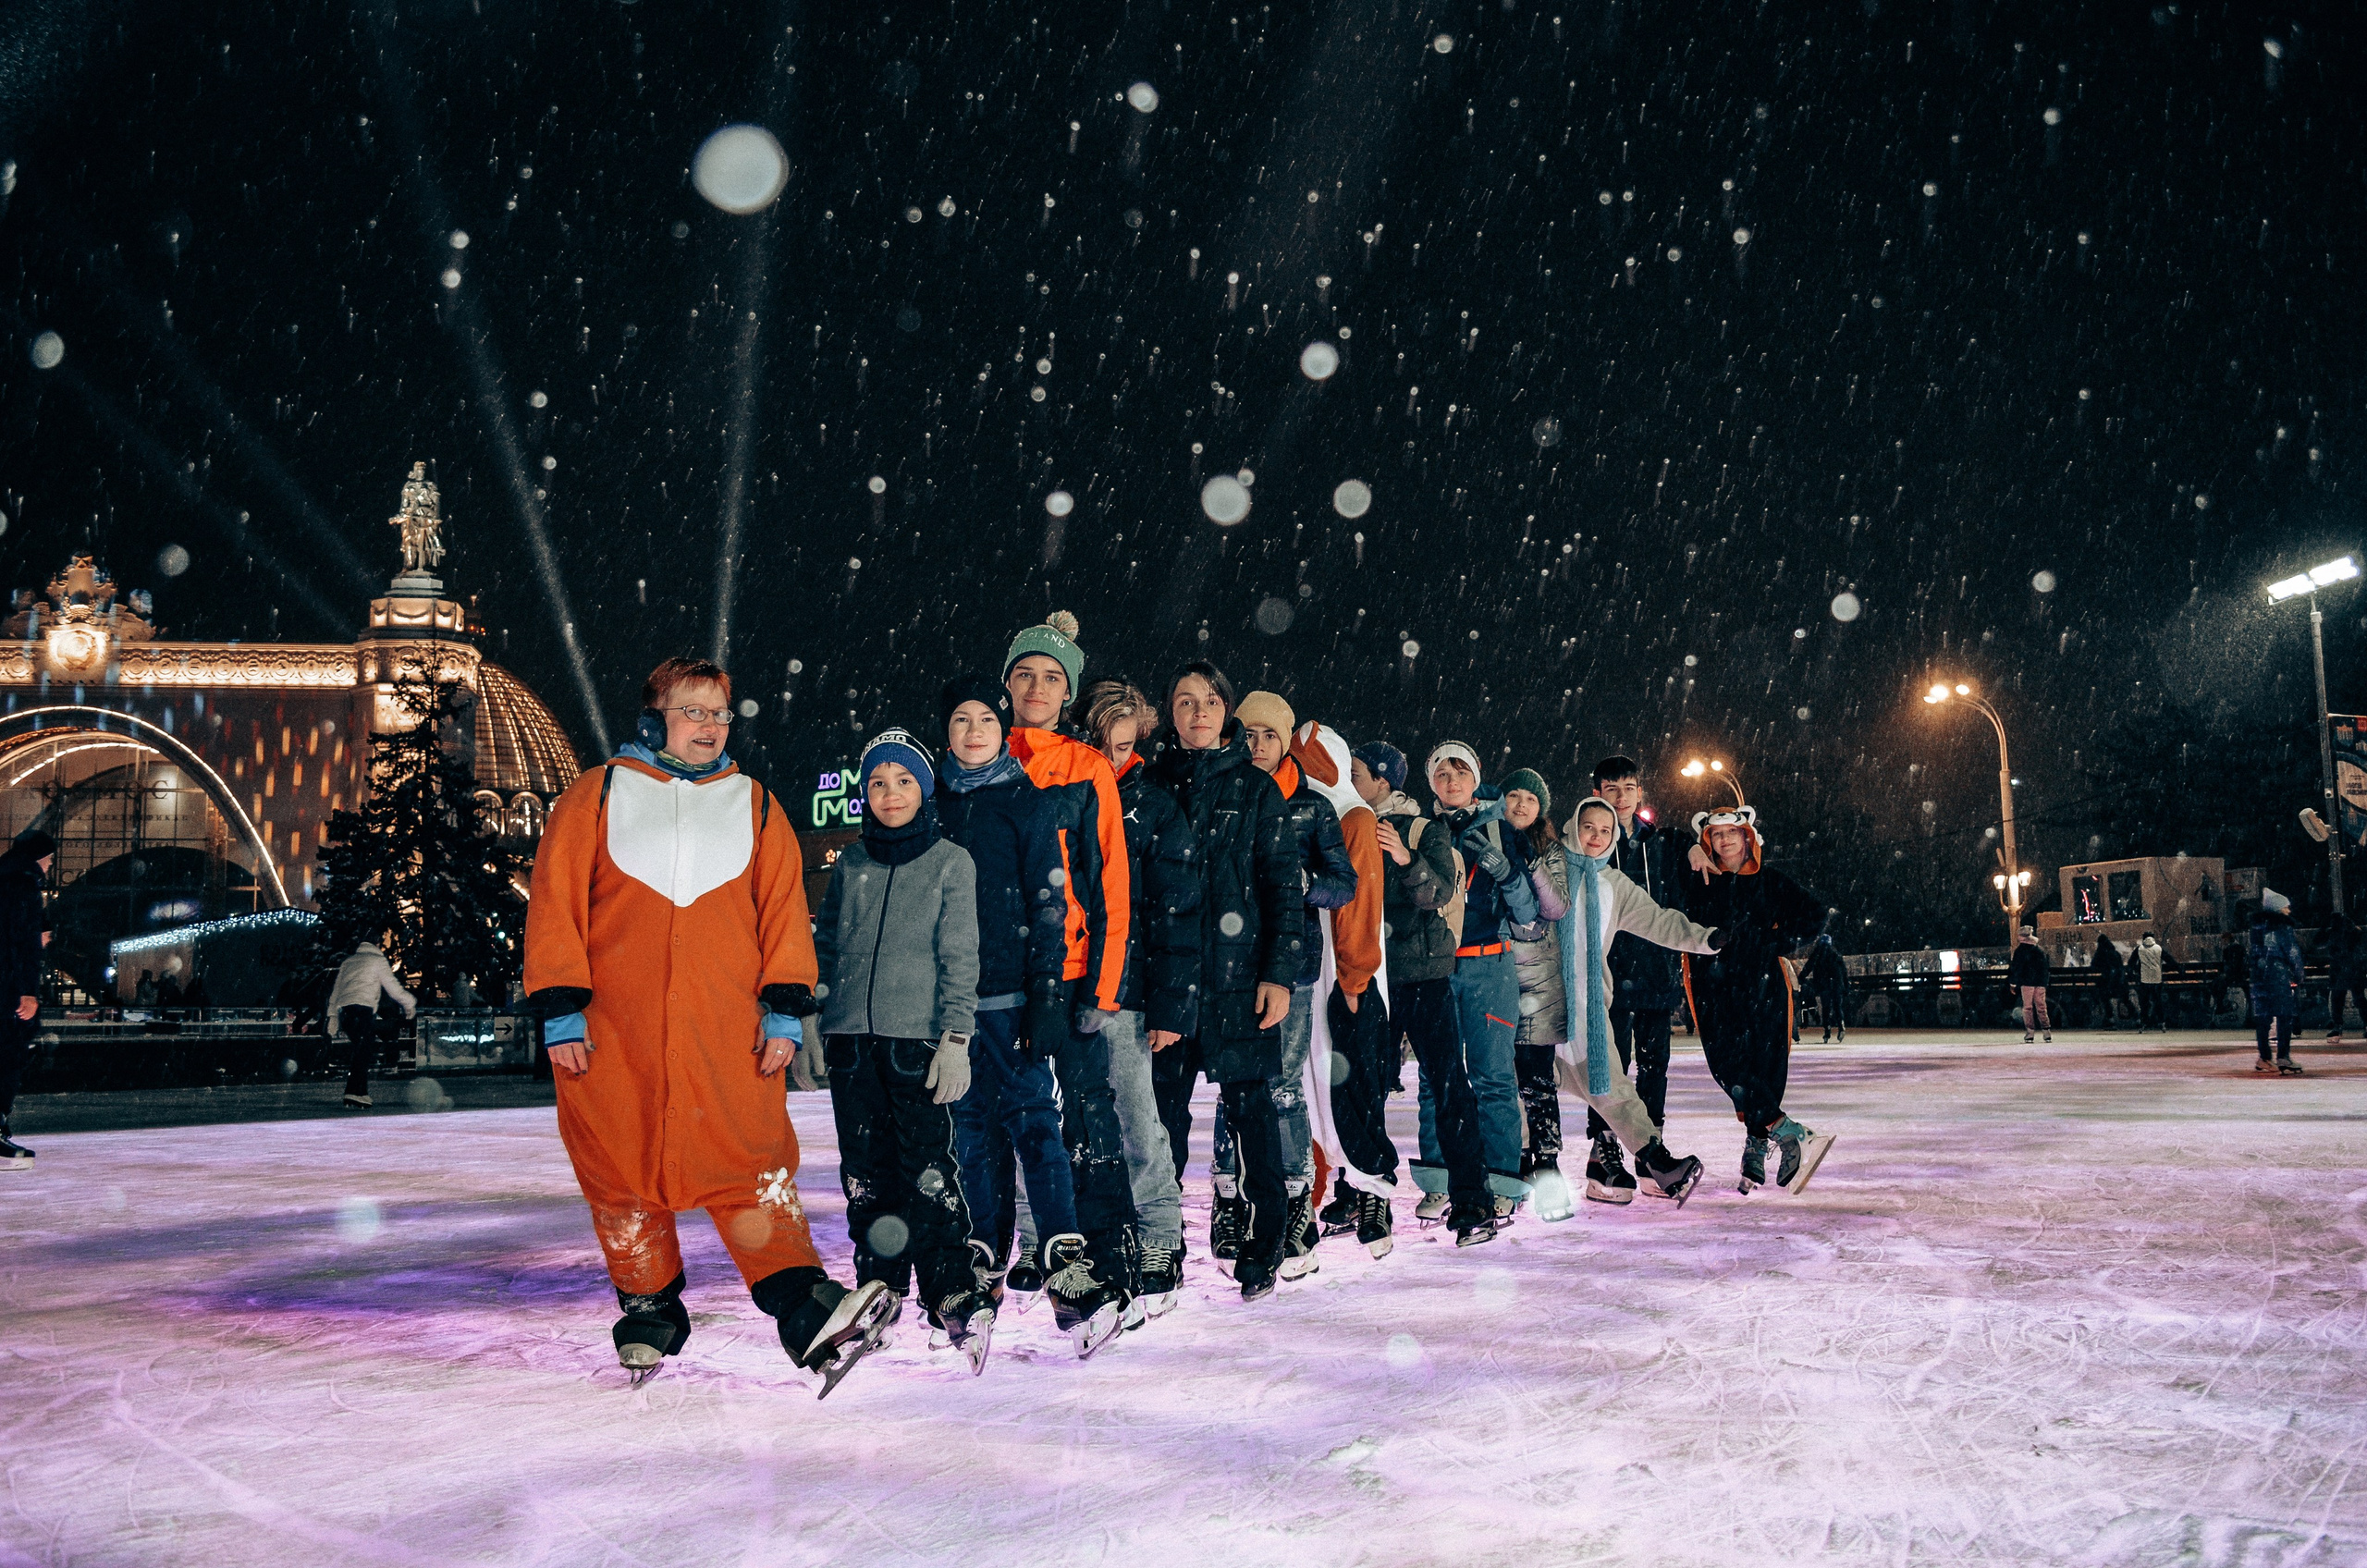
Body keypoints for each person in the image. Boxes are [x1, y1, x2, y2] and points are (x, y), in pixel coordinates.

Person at [525, 655, 894, 1394]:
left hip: (729, 1032)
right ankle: (649, 1308)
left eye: (720, 713)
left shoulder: (755, 805)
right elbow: (555, 899)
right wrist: (560, 1009)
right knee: (619, 1164)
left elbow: (783, 910)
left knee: (750, 1160)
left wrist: (784, 1008)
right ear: (653, 718)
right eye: (693, 710)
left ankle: (806, 1308)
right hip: (612, 1032)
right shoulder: (594, 795)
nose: (711, 725)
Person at [935, 676, 1122, 1355]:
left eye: (986, 719)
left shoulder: (1027, 801)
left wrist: (1046, 995)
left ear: (1002, 729)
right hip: (949, 1008)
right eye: (961, 719)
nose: (974, 731)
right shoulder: (931, 804)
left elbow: (1051, 905)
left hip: (1012, 997)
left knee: (1036, 1123)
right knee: (969, 1130)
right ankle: (982, 1254)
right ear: (946, 732)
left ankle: (1066, 1262)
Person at [812, 729, 996, 1372]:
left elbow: (960, 956)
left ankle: (952, 1291)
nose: (890, 794)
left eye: (904, 781)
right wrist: (817, 1019)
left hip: (917, 1044)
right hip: (852, 1047)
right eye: (878, 783)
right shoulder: (851, 864)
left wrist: (956, 1038)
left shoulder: (950, 862)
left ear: (925, 789)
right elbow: (827, 947)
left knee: (928, 1174)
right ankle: (878, 1289)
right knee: (866, 1176)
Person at [1147, 660, 1304, 1299]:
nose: (1199, 712)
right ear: (1171, 712)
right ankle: (1161, 1243)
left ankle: (1266, 1245)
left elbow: (1283, 890)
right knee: (1160, 1120)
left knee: (1253, 1114)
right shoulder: (1150, 784)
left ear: (1226, 712)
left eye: (1210, 700)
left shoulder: (1256, 789)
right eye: (1185, 701)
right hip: (1169, 984)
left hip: (1239, 982)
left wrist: (1278, 974)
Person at [1000, 614, 1138, 1317]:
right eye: (1025, 673)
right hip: (998, 978)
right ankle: (1032, 1246)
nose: (1037, 687)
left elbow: (1111, 881)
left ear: (1068, 692)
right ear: (1007, 683)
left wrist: (1104, 987)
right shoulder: (981, 757)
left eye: (1052, 677)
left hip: (1074, 972)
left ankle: (1110, 1253)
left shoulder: (1086, 768)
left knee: (1089, 1116)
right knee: (1012, 1117)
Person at [1212, 690, 1354, 1278]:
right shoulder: (1223, 792)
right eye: (1249, 733)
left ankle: (1297, 1201)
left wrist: (1304, 881)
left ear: (1286, 742)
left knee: (1282, 1084)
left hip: (1291, 966)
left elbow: (1343, 884)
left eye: (1270, 735)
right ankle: (1228, 1197)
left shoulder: (1312, 807)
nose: (1258, 744)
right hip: (1229, 964)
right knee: (1233, 1081)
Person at [1074, 677, 1196, 1319]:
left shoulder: (1152, 807)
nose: (1112, 758)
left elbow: (1177, 912)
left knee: (1137, 1118)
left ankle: (1160, 1235)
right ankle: (1081, 1236)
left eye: (1124, 746)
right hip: (1066, 985)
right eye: (1102, 744)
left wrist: (1171, 1006)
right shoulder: (1062, 792)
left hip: (1129, 989)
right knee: (1072, 1120)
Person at [1353, 742, 1497, 1247]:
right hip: (1370, 976)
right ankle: (1366, 1193)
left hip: (1422, 976)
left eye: (1358, 774)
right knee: (1365, 1086)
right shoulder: (1348, 823)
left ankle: (1472, 1199)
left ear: (1383, 781)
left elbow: (1437, 893)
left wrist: (1404, 857)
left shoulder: (1421, 829)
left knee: (1449, 1083)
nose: (1350, 781)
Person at [1545, 797, 1718, 1205]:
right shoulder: (1547, 871)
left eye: (1605, 830)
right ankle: (1515, 1171)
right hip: (1535, 1001)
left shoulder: (1615, 886)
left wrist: (1707, 939)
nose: (1596, 836)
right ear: (1573, 828)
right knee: (1520, 1088)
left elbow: (1659, 921)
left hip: (1586, 1007)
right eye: (1589, 827)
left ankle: (1655, 1162)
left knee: (1609, 1084)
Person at [1677, 805, 1836, 1194]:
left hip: (1763, 985)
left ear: (1747, 836)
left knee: (1765, 1065)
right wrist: (1688, 851)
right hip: (1711, 987)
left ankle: (1757, 1142)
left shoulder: (1770, 881)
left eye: (1732, 832)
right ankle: (1787, 1130)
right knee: (1726, 1064)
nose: (1725, 840)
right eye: (1716, 834)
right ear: (1707, 840)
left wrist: (1775, 942)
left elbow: (1815, 914)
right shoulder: (1696, 882)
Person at [1290, 720, 1398, 1260]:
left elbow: (1361, 907)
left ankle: (1374, 1189)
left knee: (1351, 1080)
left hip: (1345, 974)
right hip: (1314, 968)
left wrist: (1354, 979)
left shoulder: (1353, 817)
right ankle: (1326, 1187)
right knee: (1314, 1081)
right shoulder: (1307, 813)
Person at [1427, 742, 1544, 1215]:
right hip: (1435, 968)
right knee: (1435, 1078)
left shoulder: (1501, 829)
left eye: (1461, 773)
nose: (1452, 782)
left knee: (1493, 1076)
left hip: (1489, 964)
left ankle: (1501, 1180)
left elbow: (1529, 914)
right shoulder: (1422, 828)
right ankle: (1439, 1178)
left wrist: (1508, 873)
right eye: (1442, 774)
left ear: (1475, 779)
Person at [1589, 755, 1691, 1199]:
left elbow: (1687, 879)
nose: (1621, 797)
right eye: (1611, 789)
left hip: (1654, 972)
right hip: (1608, 974)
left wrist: (1695, 848)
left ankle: (1651, 1156)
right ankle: (1603, 1155)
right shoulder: (1591, 842)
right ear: (1597, 794)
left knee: (1654, 1067)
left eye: (1628, 788)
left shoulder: (1661, 842)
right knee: (1608, 1067)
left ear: (1639, 792)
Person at [1501, 769, 1575, 1214]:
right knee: (1500, 1077)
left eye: (1531, 798)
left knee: (1537, 1078)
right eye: (1514, 795)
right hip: (1494, 972)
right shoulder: (1488, 838)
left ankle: (1547, 1163)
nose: (1522, 804)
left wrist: (1529, 863)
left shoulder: (1549, 850)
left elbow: (1557, 906)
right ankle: (1514, 1159)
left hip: (1540, 982)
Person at [0, 831, 54, 1167]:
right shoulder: (23, 883)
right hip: (8, 992)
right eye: (49, 859)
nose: (50, 866)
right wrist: (27, 991)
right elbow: (21, 942)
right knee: (9, 1057)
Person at [328, 937, 416, 1109]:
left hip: (346, 1012)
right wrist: (409, 1003)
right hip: (363, 1010)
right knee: (363, 1051)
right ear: (377, 945)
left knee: (361, 1050)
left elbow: (336, 991)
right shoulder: (377, 960)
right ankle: (355, 1093)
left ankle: (357, 1093)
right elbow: (392, 987)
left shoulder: (348, 962)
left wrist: (333, 1016)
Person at [2249, 889, 2306, 1075]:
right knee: (2284, 1015)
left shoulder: (2256, 929)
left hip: (2258, 977)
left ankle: (2264, 1058)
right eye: (2286, 907)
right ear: (2277, 908)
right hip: (2277, 976)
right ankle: (2283, 1056)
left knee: (2263, 1019)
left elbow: (2254, 954)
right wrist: (2299, 973)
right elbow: (2292, 952)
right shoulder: (2282, 927)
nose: (2289, 910)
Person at [2324, 914, 2366, 1044]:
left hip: (2339, 970)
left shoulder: (2334, 934)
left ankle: (2337, 1027)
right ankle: (2366, 1024)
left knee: (2337, 999)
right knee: (2359, 998)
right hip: (2354, 970)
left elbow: (2322, 945)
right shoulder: (2356, 933)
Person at [2007, 927, 2053, 1043]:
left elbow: (2016, 968)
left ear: (2022, 937)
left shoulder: (2020, 951)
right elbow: (2045, 968)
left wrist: (2013, 982)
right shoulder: (2039, 950)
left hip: (2027, 982)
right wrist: (2044, 981)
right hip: (2040, 982)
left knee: (2027, 1008)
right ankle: (2046, 1031)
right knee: (2041, 1007)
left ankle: (2030, 1032)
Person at [1803, 933, 1851, 1043]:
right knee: (1837, 1007)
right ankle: (1841, 1025)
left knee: (1826, 1008)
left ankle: (1827, 1030)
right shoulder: (1836, 955)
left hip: (1824, 985)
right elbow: (1844, 972)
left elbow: (1808, 966)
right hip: (1836, 984)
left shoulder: (1817, 954)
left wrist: (1801, 978)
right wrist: (1846, 986)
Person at [2091, 934, 2127, 1029]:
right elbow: (2120, 968)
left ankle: (2110, 1018)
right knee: (2124, 997)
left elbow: (2093, 966)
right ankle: (2137, 1018)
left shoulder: (2100, 954)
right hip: (2119, 984)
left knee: (2103, 996)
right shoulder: (2115, 953)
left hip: (2107, 984)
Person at [2135, 932, 2166, 1033]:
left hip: (2144, 979)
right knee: (2157, 1000)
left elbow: (2132, 962)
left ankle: (2144, 1022)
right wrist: (2178, 969)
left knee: (2144, 1002)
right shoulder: (2158, 948)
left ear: (2143, 938)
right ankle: (2161, 1022)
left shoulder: (2139, 949)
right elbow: (2168, 958)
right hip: (2157, 978)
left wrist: (2134, 971)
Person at [2219, 935, 2250, 1024]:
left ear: (2227, 940)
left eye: (2224, 940)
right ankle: (2248, 1015)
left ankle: (2219, 1006)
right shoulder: (2241, 948)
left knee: (2218, 984)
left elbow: (2229, 965)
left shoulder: (2228, 950)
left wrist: (2226, 974)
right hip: (2241, 976)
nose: (2222, 942)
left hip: (2233, 977)